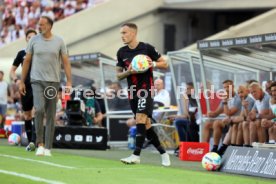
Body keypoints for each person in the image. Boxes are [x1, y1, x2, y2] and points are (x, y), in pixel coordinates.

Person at [116, 23, 170, 166]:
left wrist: (151, 64)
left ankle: (136, 155)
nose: (122, 36)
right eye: (121, 33)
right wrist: (129, 71)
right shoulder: (121, 52)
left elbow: (164, 64)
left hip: (146, 90)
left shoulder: (147, 48)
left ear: (133, 33)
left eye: (124, 33)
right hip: (132, 92)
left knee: (140, 118)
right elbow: (118, 76)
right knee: (145, 124)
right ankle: (164, 154)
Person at [19, 16, 72, 156]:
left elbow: (66, 62)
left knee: (50, 114)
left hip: (53, 82)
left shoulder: (59, 41)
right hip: (36, 80)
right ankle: (40, 144)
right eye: (38, 24)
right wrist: (21, 81)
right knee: (39, 109)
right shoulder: (33, 40)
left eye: (41, 25)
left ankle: (48, 147)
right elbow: (26, 61)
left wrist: (69, 81)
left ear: (49, 26)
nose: (39, 27)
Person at [10, 29, 37, 151]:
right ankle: (31, 142)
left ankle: (36, 141)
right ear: (26, 39)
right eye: (29, 37)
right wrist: (17, 81)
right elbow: (12, 71)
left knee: (37, 112)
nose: (31, 38)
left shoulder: (41, 53)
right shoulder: (22, 53)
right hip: (25, 87)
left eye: (34, 37)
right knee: (27, 115)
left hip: (38, 86)